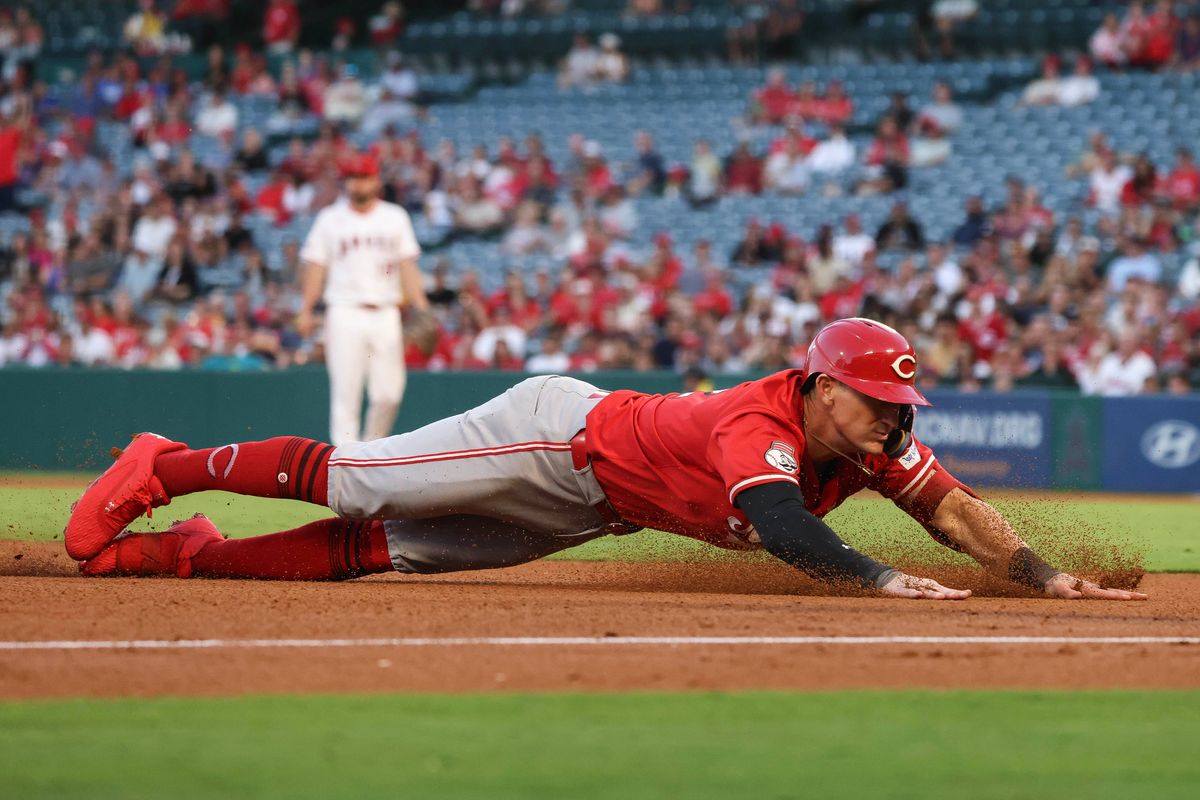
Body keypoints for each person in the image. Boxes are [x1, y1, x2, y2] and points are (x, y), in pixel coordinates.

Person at [63, 318, 1144, 602]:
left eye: (902, 405)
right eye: (876, 403)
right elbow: (780, 526)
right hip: (560, 434)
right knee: (363, 475)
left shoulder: (877, 441)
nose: (894, 424)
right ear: (821, 387)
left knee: (398, 551)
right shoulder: (756, 424)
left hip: (595, 507)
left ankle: (186, 559)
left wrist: (1043, 573)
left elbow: (953, 510)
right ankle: (171, 460)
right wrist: (876, 578)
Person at [296, 152, 430, 446]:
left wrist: (421, 306)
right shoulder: (330, 219)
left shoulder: (394, 217)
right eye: (353, 178)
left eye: (364, 177)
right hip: (344, 310)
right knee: (347, 391)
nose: (358, 184)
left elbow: (408, 265)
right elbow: (316, 267)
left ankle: (369, 450)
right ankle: (345, 460)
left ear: (376, 180)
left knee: (389, 392)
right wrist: (306, 309)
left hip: (386, 311)